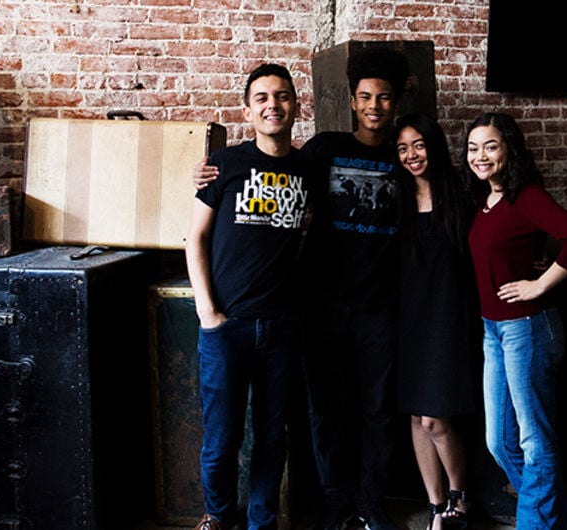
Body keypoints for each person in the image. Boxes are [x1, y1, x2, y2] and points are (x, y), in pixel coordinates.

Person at [194, 48, 409, 530]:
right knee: (260, 428)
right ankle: (239, 515)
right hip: (276, 314)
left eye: (384, 98)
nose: (374, 106)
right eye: (365, 97)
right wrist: (209, 313)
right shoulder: (269, 158)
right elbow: (202, 230)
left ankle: (345, 507)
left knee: (336, 421)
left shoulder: (366, 157)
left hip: (335, 314)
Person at [185, 63, 322, 530]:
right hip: (227, 327)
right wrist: (207, 312)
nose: (272, 105)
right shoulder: (224, 165)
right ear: (247, 110)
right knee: (222, 439)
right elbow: (195, 238)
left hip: (283, 326)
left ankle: (262, 523)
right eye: (261, 98)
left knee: (272, 437)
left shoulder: (308, 168)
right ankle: (219, 518)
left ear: (296, 106)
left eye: (282, 96)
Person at [462, 112, 567, 529]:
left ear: (509, 149)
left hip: (527, 329)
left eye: (491, 146)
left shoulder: (526, 196)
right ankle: (560, 522)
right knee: (499, 442)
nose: (480, 156)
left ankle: (535, 524)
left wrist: (539, 285)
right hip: (493, 330)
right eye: (473, 148)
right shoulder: (484, 200)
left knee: (534, 442)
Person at [393, 113, 478, 530]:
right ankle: (435, 505)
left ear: (434, 146)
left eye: (419, 145)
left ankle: (460, 497)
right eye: (402, 148)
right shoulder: (396, 200)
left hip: (448, 320)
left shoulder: (461, 198)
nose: (411, 155)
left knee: (434, 419)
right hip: (408, 321)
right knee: (415, 417)